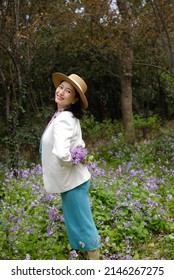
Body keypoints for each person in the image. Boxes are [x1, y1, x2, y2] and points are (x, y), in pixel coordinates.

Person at [40, 72, 100, 260]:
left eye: (68, 91)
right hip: (73, 182)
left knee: (83, 225)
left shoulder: (65, 118)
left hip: (73, 183)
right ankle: (87, 259)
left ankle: (96, 265)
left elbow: (62, 152)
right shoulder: (62, 115)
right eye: (61, 87)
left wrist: (69, 160)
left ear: (74, 100)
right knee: (77, 224)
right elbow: (79, 145)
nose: (61, 92)